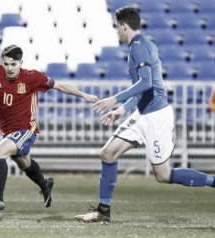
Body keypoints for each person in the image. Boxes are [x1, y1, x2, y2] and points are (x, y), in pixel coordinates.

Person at [75, 6, 215, 223]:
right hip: (142, 112)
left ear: (123, 25)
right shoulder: (143, 45)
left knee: (163, 175)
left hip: (156, 116)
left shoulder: (138, 47)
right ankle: (103, 211)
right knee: (108, 153)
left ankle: (212, 181)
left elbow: (147, 83)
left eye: (117, 27)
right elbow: (144, 89)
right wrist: (123, 109)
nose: (117, 32)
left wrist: (115, 99)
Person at [0, 45, 99, 213]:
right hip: (9, 131)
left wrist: (85, 96)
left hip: (26, 129)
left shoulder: (32, 77)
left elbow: (60, 86)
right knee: (25, 164)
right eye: (6, 64)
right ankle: (45, 184)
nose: (9, 68)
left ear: (21, 63)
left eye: (13, 64)